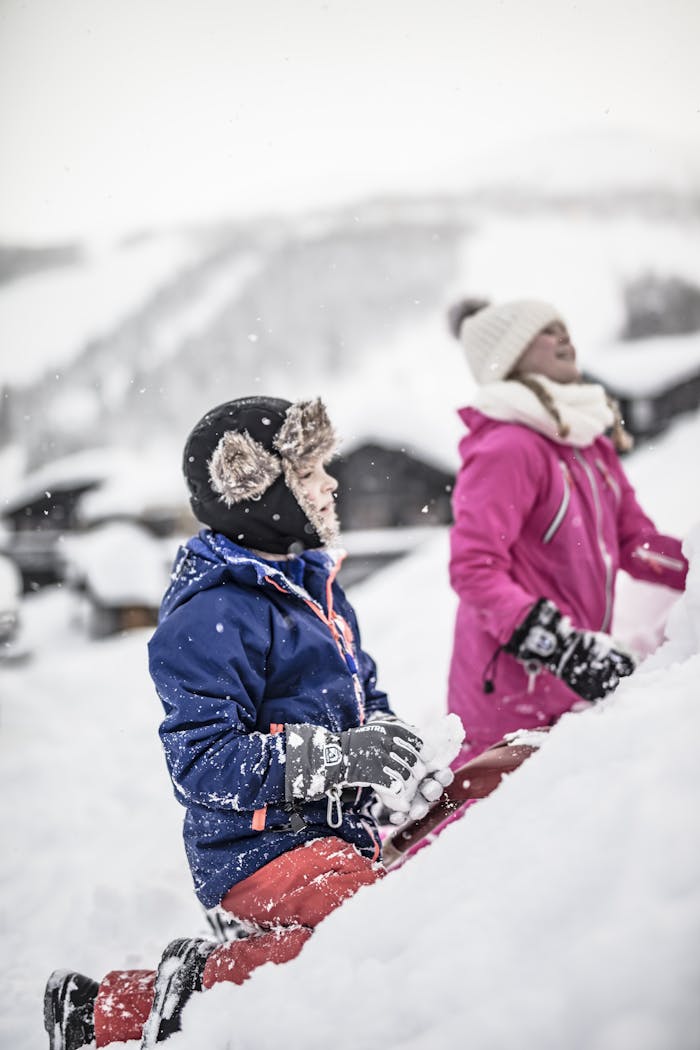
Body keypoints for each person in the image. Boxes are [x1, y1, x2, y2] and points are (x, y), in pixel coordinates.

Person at [44, 395, 461, 1050]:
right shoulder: (210, 614)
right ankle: (188, 987)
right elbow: (203, 762)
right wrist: (341, 759)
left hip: (333, 834)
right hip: (256, 848)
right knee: (369, 935)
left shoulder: (315, 586)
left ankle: (138, 999)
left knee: (406, 911)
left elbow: (364, 695)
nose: (332, 484)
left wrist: (395, 758)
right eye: (310, 472)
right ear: (258, 493)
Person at [445, 298, 688, 764]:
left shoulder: (588, 444)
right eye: (546, 330)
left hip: (574, 689)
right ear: (512, 354)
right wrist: (560, 645)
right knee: (503, 813)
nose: (564, 337)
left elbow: (634, 544)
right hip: (507, 707)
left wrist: (693, 566)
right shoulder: (508, 447)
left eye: (564, 327)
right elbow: (474, 568)